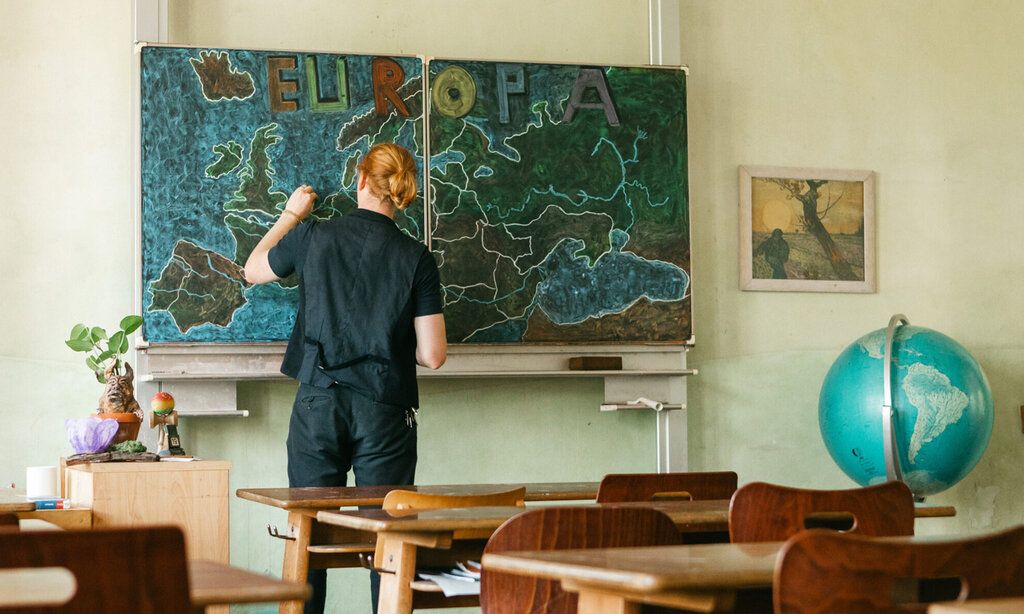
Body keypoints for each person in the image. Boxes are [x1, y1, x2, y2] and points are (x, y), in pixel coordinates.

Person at [244, 143, 447, 614]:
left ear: (360, 180)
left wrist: (291, 214)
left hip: (318, 405)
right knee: (390, 546)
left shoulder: (313, 235)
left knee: (310, 540)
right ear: (400, 193)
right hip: (385, 412)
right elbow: (433, 356)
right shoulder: (417, 258)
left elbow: (253, 269)